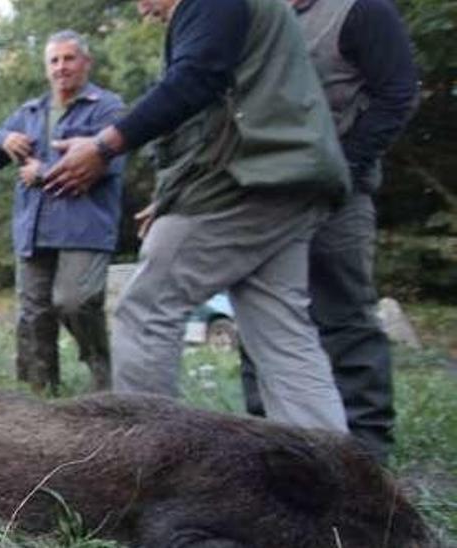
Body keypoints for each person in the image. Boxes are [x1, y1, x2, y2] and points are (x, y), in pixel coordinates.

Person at [46, 0, 351, 432]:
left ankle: (140, 465)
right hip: (292, 178)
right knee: (283, 336)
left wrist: (103, 147)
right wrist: (169, 196)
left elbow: (194, 81)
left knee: (146, 309)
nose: (142, 9)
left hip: (243, 180)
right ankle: (334, 474)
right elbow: (227, 101)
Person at [239, 0, 419, 461]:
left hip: (337, 197)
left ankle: (365, 453)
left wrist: (343, 167)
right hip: (266, 196)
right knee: (260, 317)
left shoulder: (359, 11)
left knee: (344, 315)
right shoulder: (260, 16)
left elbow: (398, 93)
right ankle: (268, 445)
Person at [0, 30, 124, 395]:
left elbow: (112, 162)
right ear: (47, 68)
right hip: (34, 227)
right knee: (33, 316)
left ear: (86, 63)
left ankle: (106, 379)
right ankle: (39, 395)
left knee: (76, 302)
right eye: (54, 60)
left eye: (69, 58)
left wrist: (43, 173)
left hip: (85, 227)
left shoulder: (107, 107)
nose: (61, 67)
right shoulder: (30, 112)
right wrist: (2, 139)